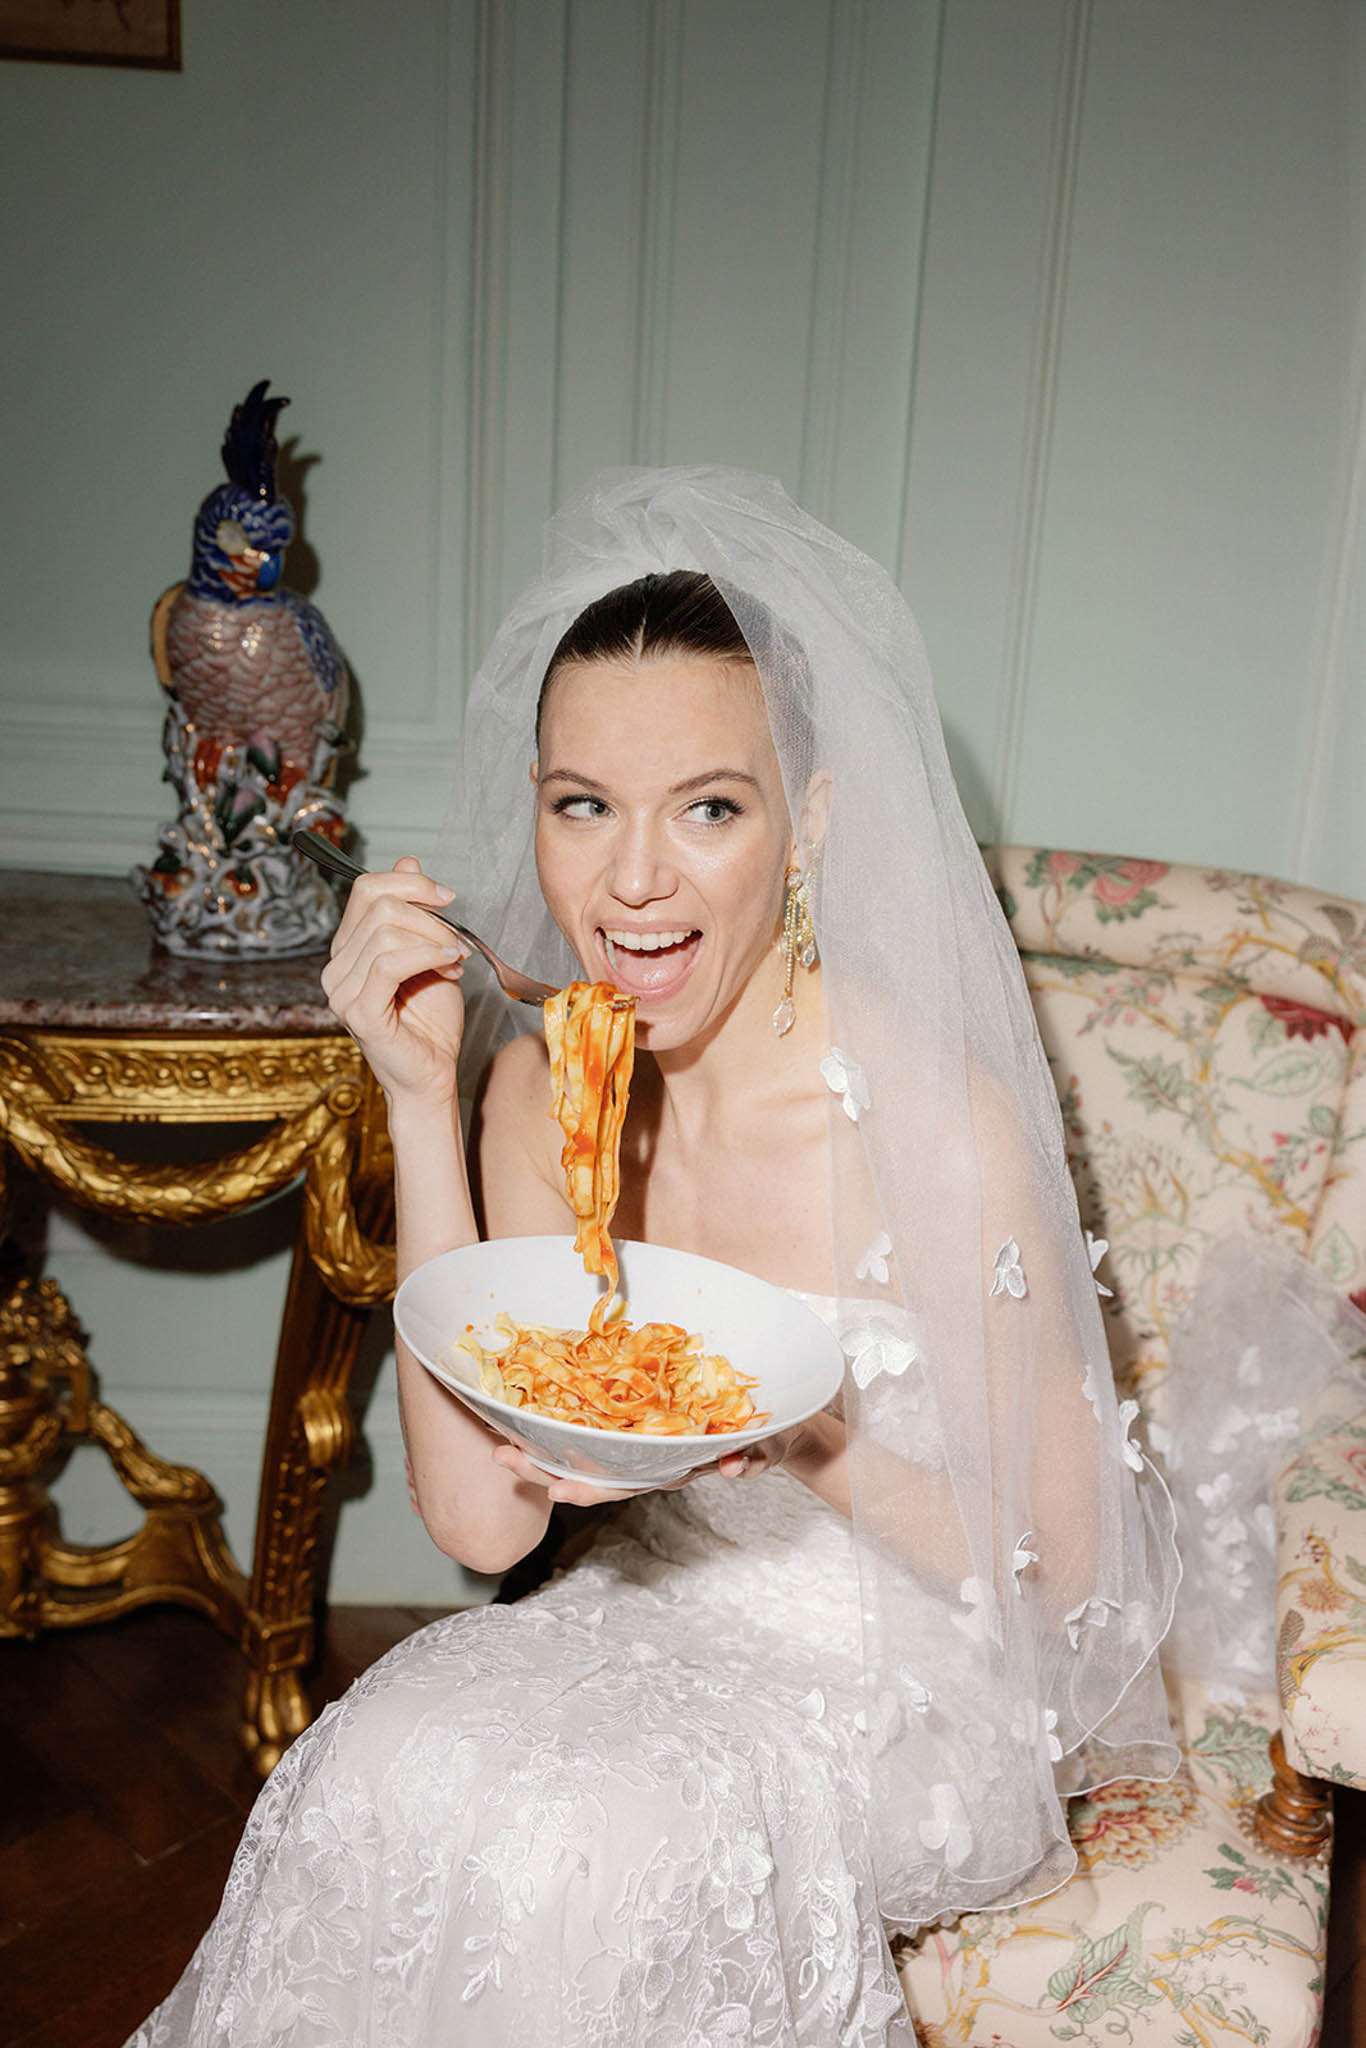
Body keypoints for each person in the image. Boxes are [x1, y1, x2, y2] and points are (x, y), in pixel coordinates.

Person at [128, 467, 1180, 2047]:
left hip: (896, 1657)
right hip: (632, 1612)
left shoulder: (933, 1125)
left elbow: (1068, 1579)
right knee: (381, 1758)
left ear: (807, 822)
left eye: (708, 808)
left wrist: (808, 1443)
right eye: (581, 805)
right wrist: (415, 1100)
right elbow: (483, 1520)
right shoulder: (536, 1083)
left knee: (585, 1856)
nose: (631, 883)